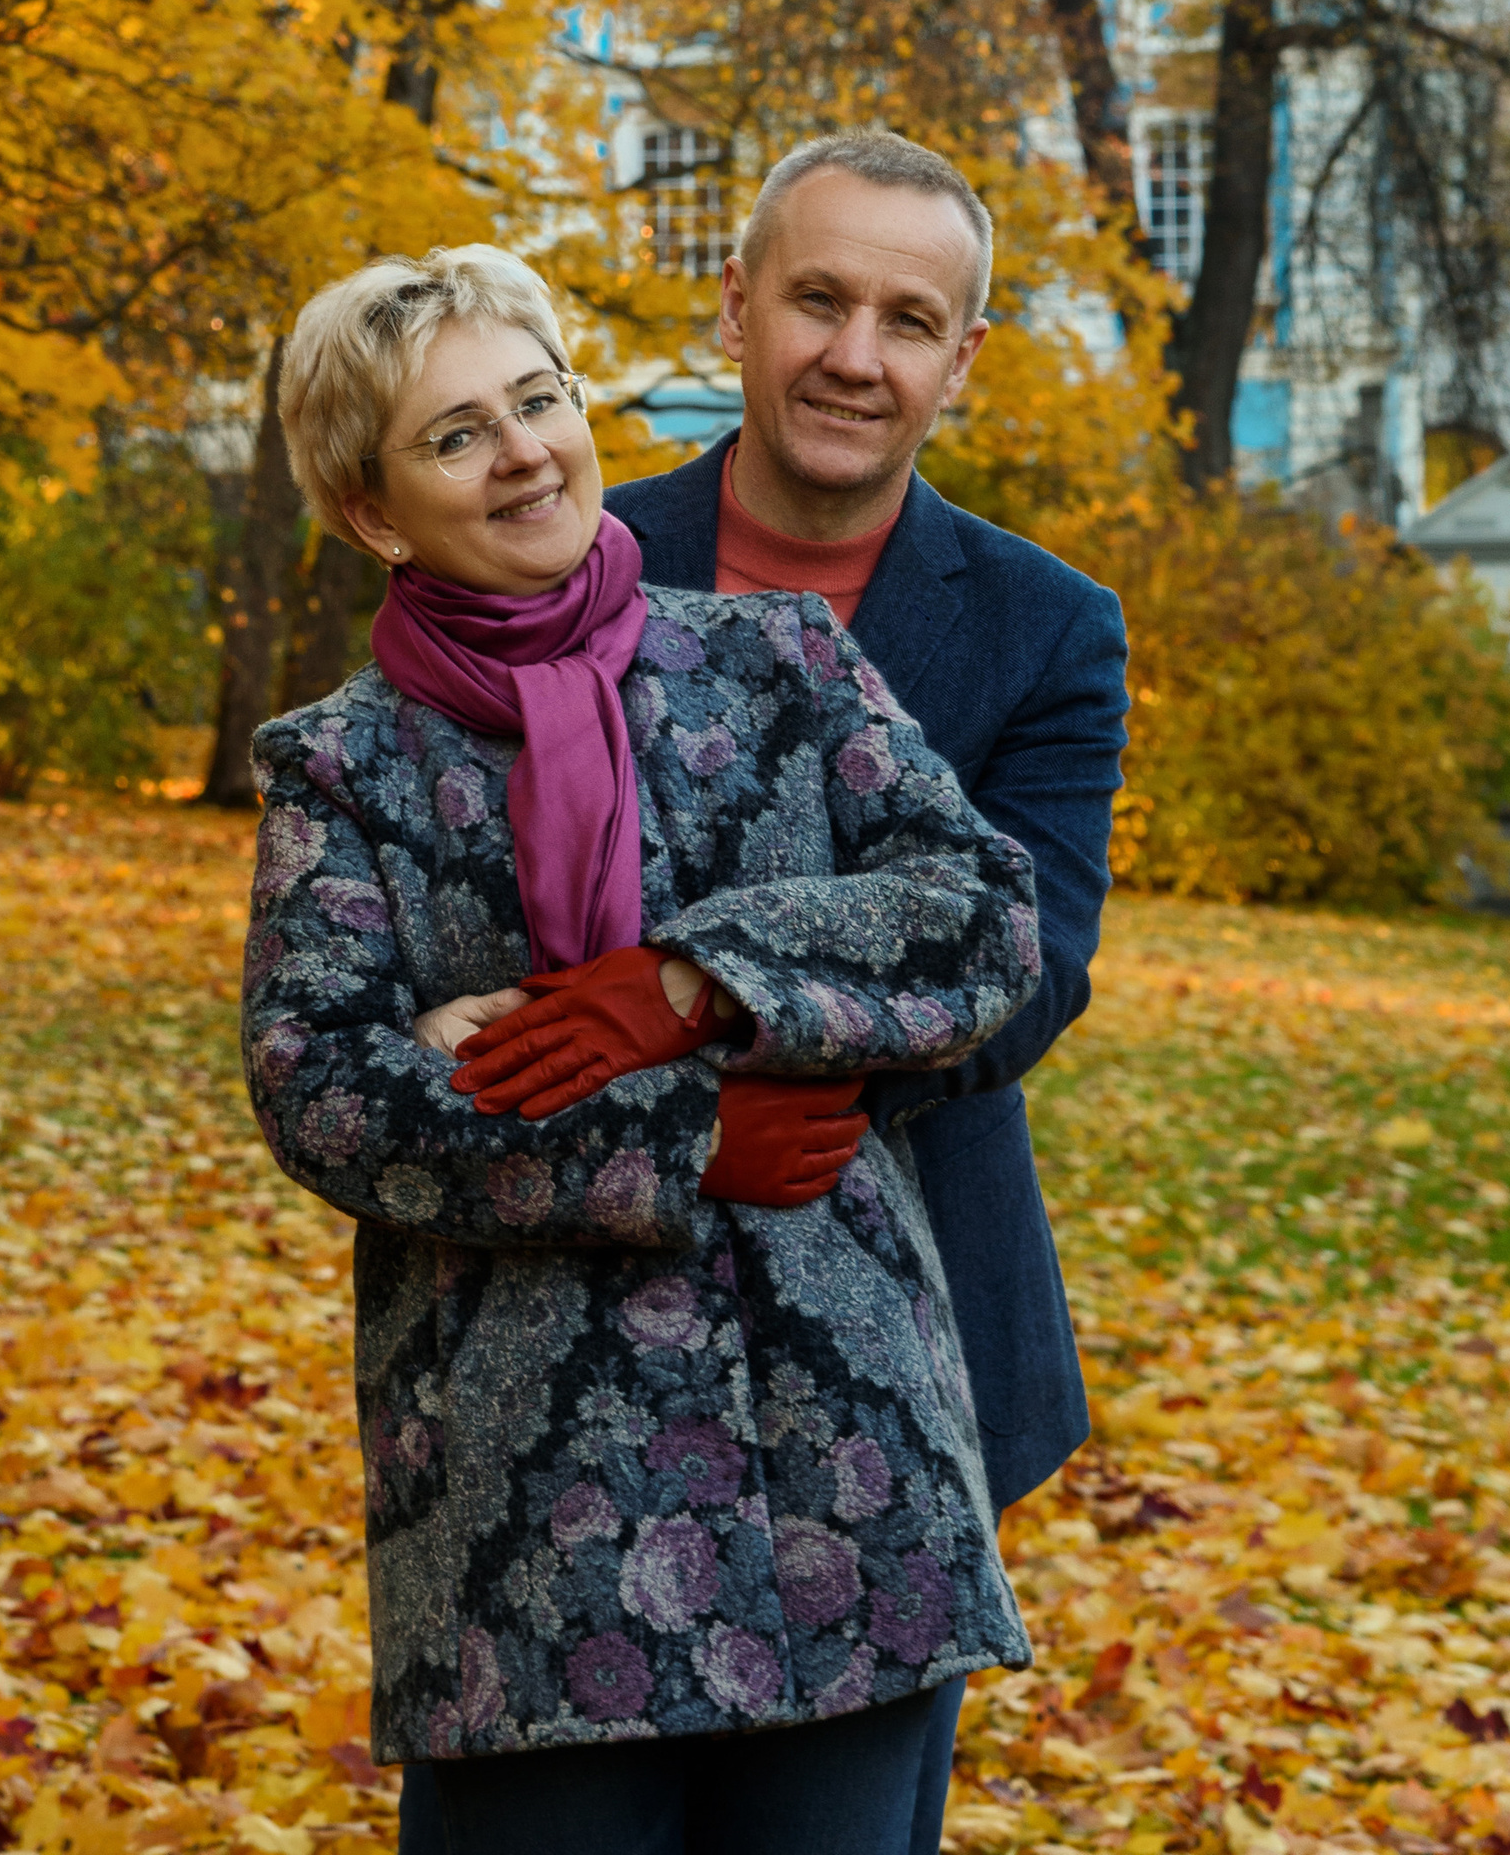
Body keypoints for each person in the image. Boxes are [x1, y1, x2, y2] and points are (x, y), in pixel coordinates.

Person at [245, 245, 1046, 1854]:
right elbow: (326, 1088)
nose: (526, 447)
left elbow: (983, 921)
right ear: (377, 508)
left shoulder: (782, 667)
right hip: (531, 1507)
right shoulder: (342, 767)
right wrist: (686, 1142)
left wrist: (684, 986)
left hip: (843, 1465)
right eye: (458, 433)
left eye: (537, 399)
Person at [599, 128, 1131, 1855]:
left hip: (911, 1334)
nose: (855, 352)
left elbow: (1032, 972)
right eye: (819, 297)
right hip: (577, 1317)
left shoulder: (1048, 627)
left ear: (960, 360)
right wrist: (674, 1125)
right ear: (739, 302)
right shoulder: (566, 560)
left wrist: (707, 1020)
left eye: (909, 318)